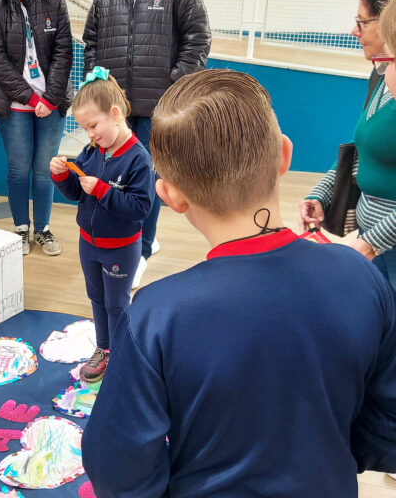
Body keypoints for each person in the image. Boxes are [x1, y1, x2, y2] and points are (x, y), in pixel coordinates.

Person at [81, 69, 396, 497]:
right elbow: (387, 426)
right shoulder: (363, 278)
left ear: (170, 196)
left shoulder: (156, 315)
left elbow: (118, 468)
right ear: (284, 155)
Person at [83, 0, 211, 288]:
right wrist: (97, 84)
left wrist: (174, 85)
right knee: (115, 177)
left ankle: (142, 248)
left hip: (158, 106)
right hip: (117, 108)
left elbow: (198, 38)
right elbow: (91, 40)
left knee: (146, 179)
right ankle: (125, 242)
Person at [50, 67, 154, 382]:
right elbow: (75, 194)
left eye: (93, 126)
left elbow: (141, 208)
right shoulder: (92, 151)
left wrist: (102, 190)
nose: (90, 135)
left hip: (120, 248)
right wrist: (61, 176)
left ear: (115, 113)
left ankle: (123, 354)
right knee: (96, 299)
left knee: (117, 304)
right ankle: (105, 348)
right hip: (89, 243)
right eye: (85, 129)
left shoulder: (138, 158)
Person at [300, 0, 396, 290]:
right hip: (376, 244)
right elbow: (365, 148)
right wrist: (322, 193)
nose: (355, 31)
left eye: (362, 21)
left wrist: (371, 243)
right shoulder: (382, 76)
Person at [0, 0, 72, 257]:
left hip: (51, 102)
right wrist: (31, 98)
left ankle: (42, 229)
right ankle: (21, 229)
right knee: (19, 169)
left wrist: (50, 98)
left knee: (44, 169)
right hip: (13, 101)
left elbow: (64, 52)